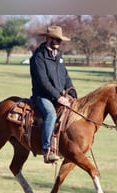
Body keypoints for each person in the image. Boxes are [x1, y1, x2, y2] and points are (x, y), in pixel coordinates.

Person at [30, 26, 77, 163]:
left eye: (60, 40)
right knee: (51, 114)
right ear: (48, 39)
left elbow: (66, 77)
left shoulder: (59, 56)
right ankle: (47, 150)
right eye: (56, 39)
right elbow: (43, 82)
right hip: (42, 96)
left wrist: (72, 93)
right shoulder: (38, 57)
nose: (59, 42)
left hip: (59, 95)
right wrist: (59, 97)